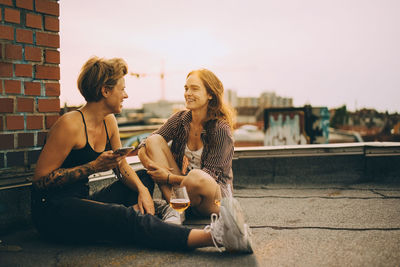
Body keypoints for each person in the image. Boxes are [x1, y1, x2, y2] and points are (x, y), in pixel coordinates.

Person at [31, 56, 252, 253]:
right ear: (105, 91)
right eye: (121, 88)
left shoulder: (109, 122)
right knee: (123, 216)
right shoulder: (69, 124)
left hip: (83, 200)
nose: (126, 94)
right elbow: (40, 181)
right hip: (54, 212)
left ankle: (159, 211)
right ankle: (215, 236)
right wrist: (93, 167)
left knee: (143, 180)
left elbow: (122, 166)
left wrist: (142, 191)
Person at [138, 68, 235, 217]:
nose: (188, 93)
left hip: (212, 200)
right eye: (186, 88)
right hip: (181, 192)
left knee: (197, 176)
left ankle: (175, 208)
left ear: (210, 94)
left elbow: (208, 178)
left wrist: (167, 177)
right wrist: (148, 164)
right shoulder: (180, 119)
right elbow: (147, 142)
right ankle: (175, 209)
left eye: (194, 89)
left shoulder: (220, 130)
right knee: (154, 140)